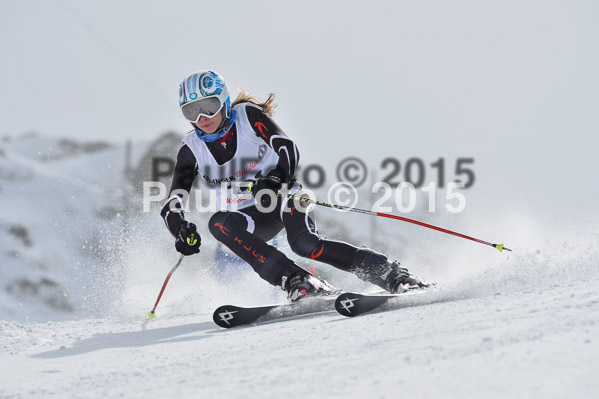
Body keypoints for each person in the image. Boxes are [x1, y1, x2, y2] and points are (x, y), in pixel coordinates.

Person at [160, 70, 428, 301]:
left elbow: (287, 148)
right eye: (191, 111)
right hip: (248, 218)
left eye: (208, 106)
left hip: (282, 198)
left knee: (305, 244)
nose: (202, 117)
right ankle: (296, 280)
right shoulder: (191, 150)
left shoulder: (247, 116)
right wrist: (180, 230)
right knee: (218, 223)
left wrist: (276, 177)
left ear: (224, 101)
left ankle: (391, 273)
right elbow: (172, 205)